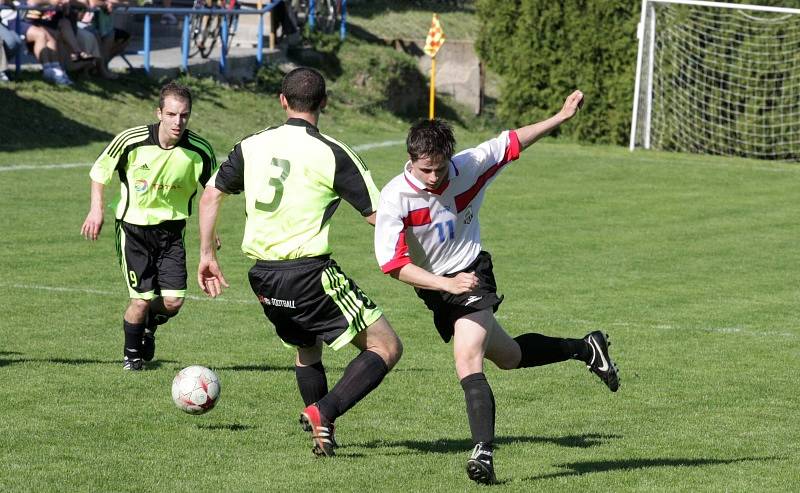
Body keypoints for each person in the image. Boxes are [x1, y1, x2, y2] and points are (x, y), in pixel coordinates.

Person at [374, 90, 620, 484]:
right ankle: (586, 348)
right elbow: (394, 266)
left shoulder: (468, 166)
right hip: (440, 288)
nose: (435, 178)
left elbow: (513, 140)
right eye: (426, 171)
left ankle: (483, 454)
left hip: (472, 273)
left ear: (450, 157)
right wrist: (444, 284)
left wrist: (559, 117)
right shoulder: (394, 197)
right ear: (411, 160)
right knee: (509, 356)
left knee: (466, 356)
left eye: (440, 168)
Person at [197, 67, 403, 457]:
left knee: (307, 349)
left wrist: (207, 255)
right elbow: (380, 216)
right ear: (324, 102)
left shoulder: (250, 146)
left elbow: (210, 197)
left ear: (282, 100)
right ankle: (323, 411)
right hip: (309, 274)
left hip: (262, 278)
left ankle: (322, 440)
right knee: (386, 347)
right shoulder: (333, 152)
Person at [81, 81, 217, 371]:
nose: (177, 122)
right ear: (159, 113)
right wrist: (96, 210)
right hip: (133, 231)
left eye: (184, 115)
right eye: (171, 114)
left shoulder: (200, 151)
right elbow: (99, 171)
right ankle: (132, 358)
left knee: (173, 302)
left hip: (172, 231)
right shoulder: (131, 140)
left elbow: (211, 194)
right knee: (141, 301)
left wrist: (211, 231)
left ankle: (148, 326)